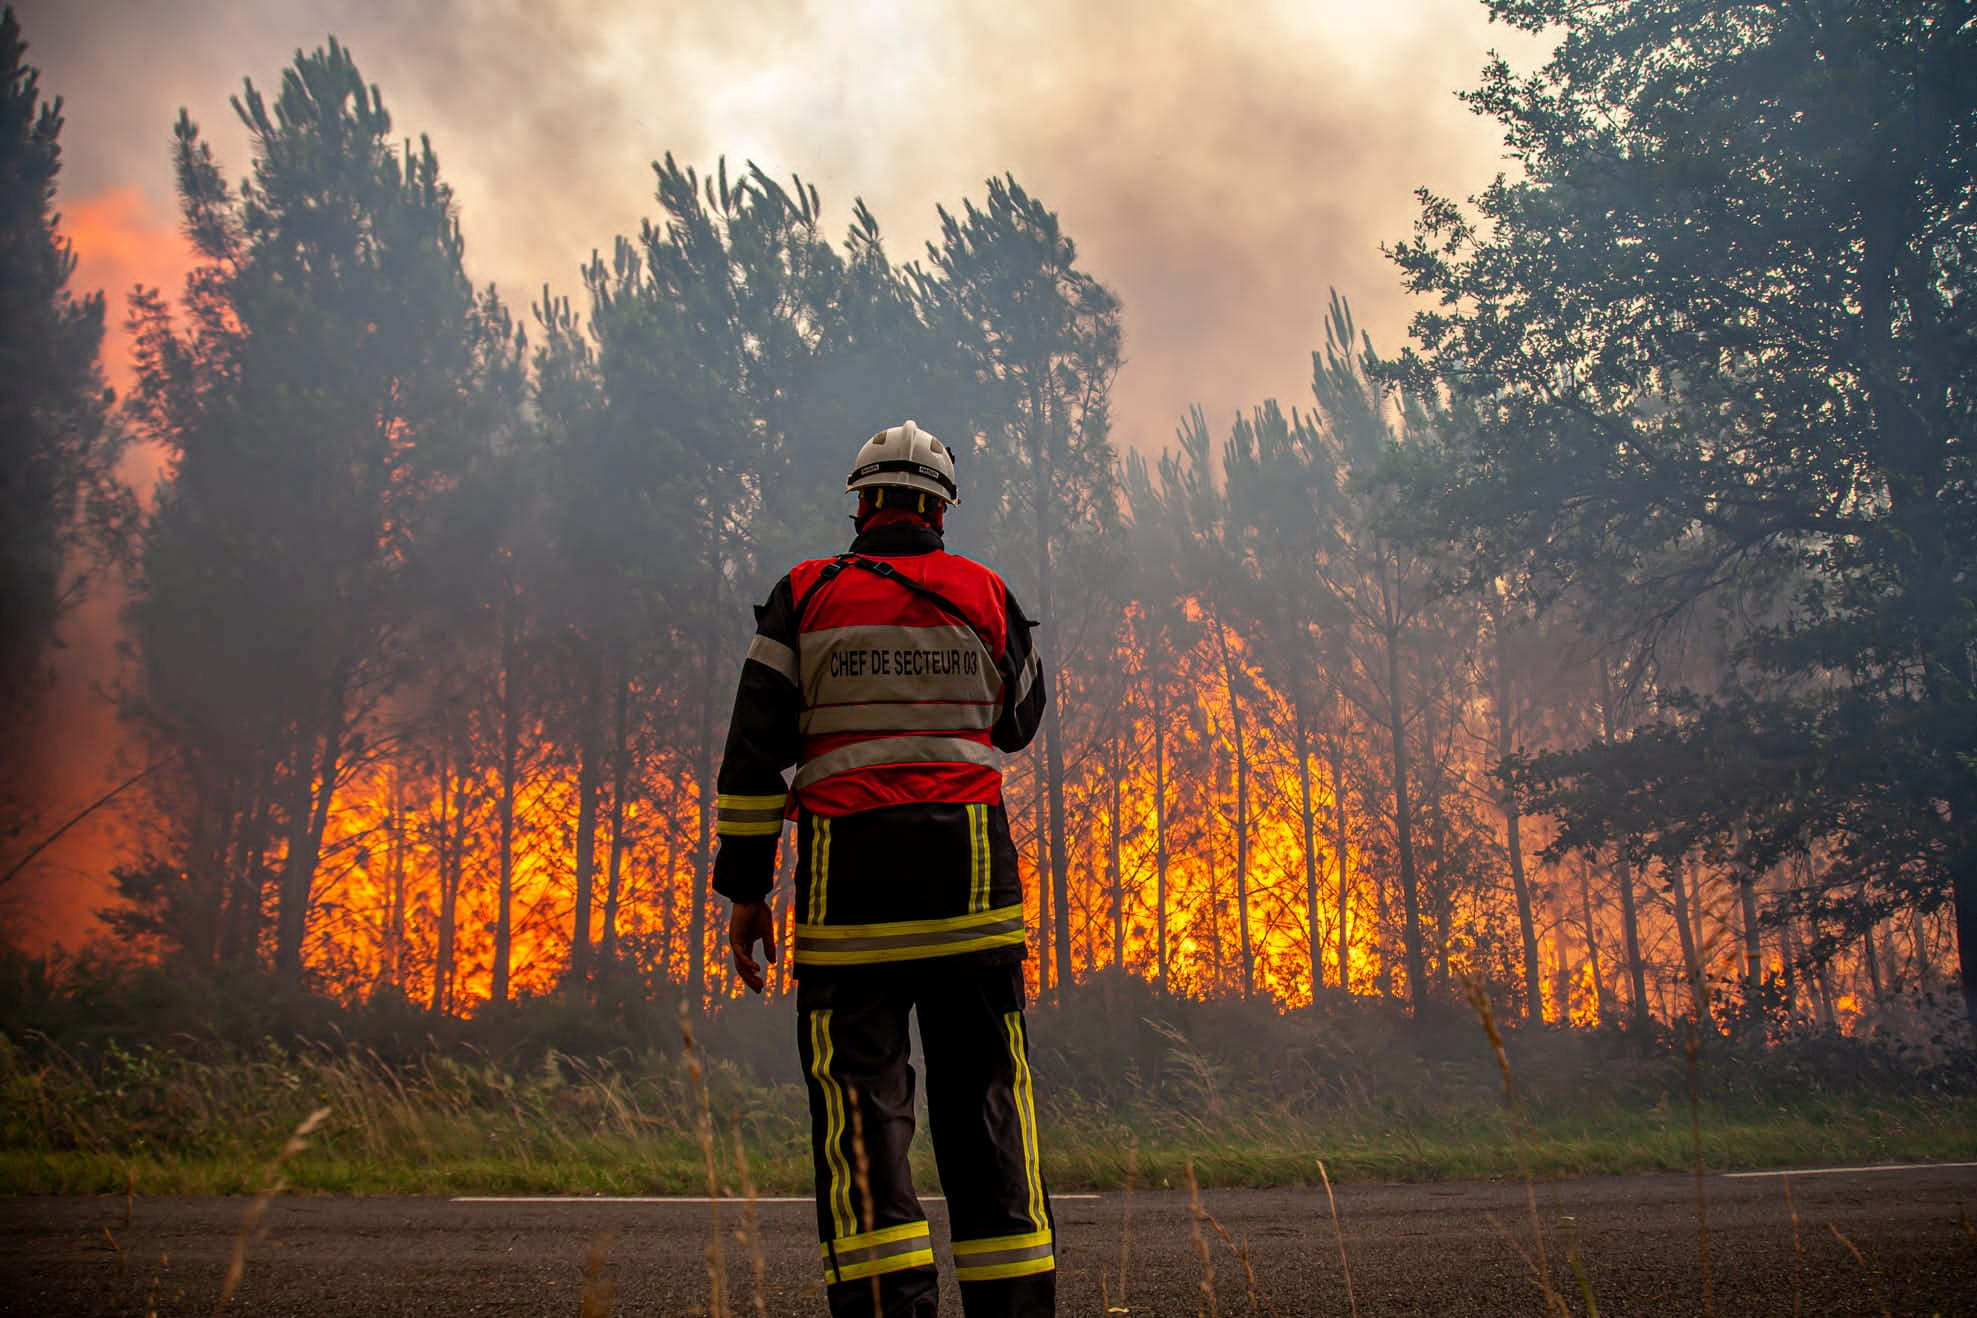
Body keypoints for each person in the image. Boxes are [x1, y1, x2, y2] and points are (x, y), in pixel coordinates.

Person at [711, 420, 1053, 1318]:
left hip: (848, 905)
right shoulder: (986, 593)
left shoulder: (805, 594)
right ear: (940, 510)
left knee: (862, 1124)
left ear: (859, 505)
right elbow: (1018, 722)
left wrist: (748, 894)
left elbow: (753, 762)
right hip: (972, 900)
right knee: (986, 1111)